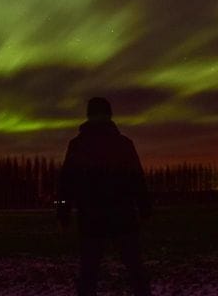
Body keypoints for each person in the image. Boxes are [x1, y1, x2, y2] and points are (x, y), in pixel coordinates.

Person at [57, 97, 151, 296]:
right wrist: (144, 208)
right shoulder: (123, 144)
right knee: (134, 271)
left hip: (93, 217)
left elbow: (66, 183)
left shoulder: (78, 145)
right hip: (121, 216)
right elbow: (137, 179)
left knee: (90, 273)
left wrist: (63, 212)